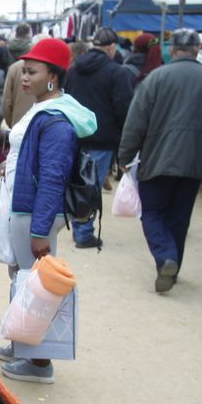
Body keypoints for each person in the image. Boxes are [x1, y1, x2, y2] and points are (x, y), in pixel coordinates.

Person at [0, 37, 97, 384]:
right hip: (24, 207)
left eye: (32, 72)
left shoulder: (56, 118)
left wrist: (40, 230)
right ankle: (24, 345)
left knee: (37, 285)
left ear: (53, 76)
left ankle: (40, 363)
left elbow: (53, 177)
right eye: (24, 71)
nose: (24, 77)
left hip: (33, 212)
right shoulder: (44, 109)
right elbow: (31, 157)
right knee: (24, 279)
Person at [116, 28, 202, 293]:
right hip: (195, 161)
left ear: (172, 50)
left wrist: (124, 156)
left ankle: (165, 257)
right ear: (198, 50)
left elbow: (136, 122)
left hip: (158, 158)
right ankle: (172, 267)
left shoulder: (156, 78)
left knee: (152, 212)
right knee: (180, 217)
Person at [64, 26, 136, 250]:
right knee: (92, 185)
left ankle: (78, 225)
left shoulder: (73, 70)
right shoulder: (118, 72)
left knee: (78, 181)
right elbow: (124, 108)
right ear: (111, 48)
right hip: (103, 138)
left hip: (74, 135)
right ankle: (83, 231)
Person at [1, 22, 38, 128]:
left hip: (10, 81)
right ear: (29, 33)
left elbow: (6, 102)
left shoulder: (7, 48)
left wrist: (11, 122)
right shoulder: (33, 53)